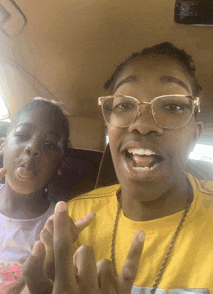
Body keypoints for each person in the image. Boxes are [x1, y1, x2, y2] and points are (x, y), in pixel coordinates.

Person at [23, 42, 213, 294]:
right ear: (109, 129)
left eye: (172, 106)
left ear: (194, 135)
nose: (143, 125)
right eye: (124, 105)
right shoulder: (74, 219)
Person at [0, 98, 94, 293]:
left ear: (60, 165)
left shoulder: (55, 229)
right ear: (2, 146)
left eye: (48, 144)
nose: (33, 148)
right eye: (22, 135)